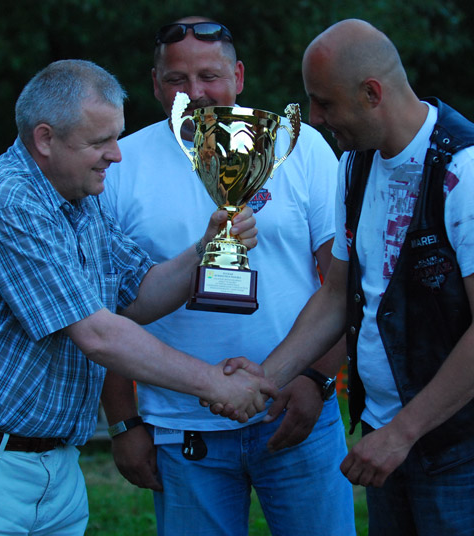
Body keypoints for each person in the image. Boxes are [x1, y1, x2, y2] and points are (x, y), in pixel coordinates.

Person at [0, 59, 276, 536]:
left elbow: (138, 295)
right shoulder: (6, 201)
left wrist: (205, 250)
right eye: (99, 141)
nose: (116, 154)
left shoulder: (81, 198)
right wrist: (214, 383)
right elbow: (97, 334)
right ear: (45, 139)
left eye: (117, 137)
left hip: (53, 467)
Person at [215, 19, 474, 535]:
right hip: (390, 433)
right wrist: (269, 376)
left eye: (323, 103)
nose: (315, 117)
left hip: (469, 442)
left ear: (372, 93)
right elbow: (338, 293)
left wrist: (402, 433)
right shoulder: (355, 164)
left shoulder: (468, 169)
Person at [100, 16, 355, 536]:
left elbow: (344, 283)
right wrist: (124, 422)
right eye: (177, 79)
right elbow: (101, 308)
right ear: (155, 85)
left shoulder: (299, 147)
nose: (195, 93)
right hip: (181, 425)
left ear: (237, 76)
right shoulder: (121, 165)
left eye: (209, 76)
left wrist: (318, 379)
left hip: (296, 410)